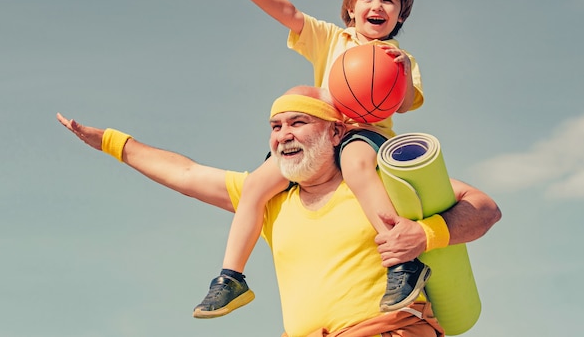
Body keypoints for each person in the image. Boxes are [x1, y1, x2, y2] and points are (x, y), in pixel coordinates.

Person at [56, 85, 501, 337]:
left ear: (335, 133)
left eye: (298, 122)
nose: (283, 135)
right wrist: (111, 142)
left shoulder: (380, 181)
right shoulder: (269, 201)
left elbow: (484, 206)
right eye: (275, 126)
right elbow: (186, 173)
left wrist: (426, 235)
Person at [198, 0, 426, 317]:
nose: (377, 6)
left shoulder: (399, 57)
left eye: (388, 0)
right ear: (350, 9)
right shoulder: (332, 39)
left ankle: (401, 263)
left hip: (364, 134)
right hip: (321, 134)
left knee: (356, 167)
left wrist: (401, 75)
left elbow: (406, 103)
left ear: (400, 15)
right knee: (257, 185)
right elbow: (289, 13)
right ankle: (231, 277)